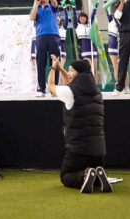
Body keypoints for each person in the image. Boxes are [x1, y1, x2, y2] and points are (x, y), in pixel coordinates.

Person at [47, 55, 112, 193]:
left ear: (79, 73)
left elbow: (51, 86)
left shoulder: (70, 92)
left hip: (78, 150)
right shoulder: (97, 93)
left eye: (71, 70)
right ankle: (99, 175)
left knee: (66, 176)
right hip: (99, 152)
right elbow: (68, 84)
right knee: (92, 168)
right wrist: (61, 68)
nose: (69, 73)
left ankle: (85, 175)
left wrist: (53, 67)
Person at [30, 0, 63, 97]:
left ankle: (54, 87)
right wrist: (36, 3)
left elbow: (55, 2)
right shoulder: (37, 8)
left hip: (54, 36)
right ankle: (41, 88)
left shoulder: (52, 7)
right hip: (41, 37)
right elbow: (32, 17)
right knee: (41, 61)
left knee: (54, 61)